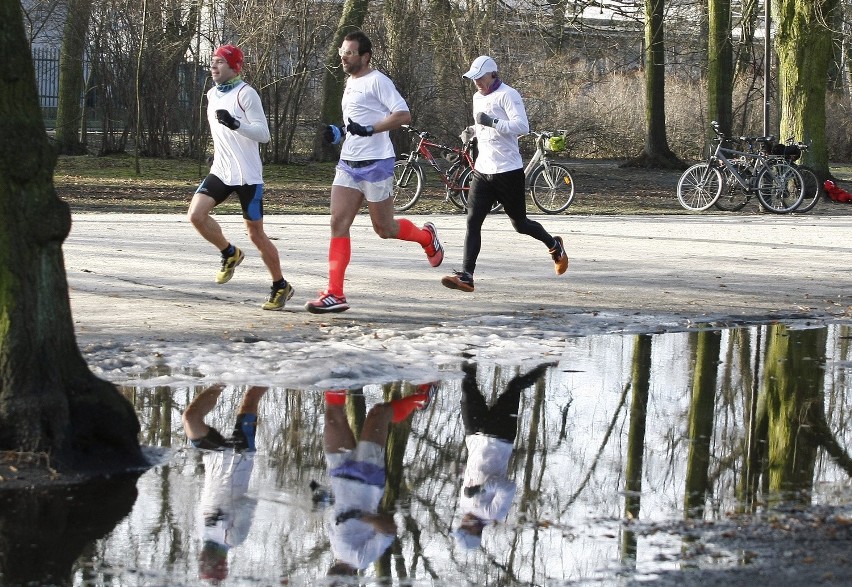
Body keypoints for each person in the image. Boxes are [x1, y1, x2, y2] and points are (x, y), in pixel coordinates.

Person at [307, 31, 444, 314]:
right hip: (348, 163)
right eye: (341, 52)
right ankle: (335, 293)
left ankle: (426, 237)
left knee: (385, 229)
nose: (343, 57)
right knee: (337, 224)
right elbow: (359, 119)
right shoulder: (350, 81)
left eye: (349, 53)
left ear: (365, 57)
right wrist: (341, 132)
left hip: (376, 163)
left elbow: (402, 115)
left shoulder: (379, 81)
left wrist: (370, 130)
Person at [441, 55, 569, 293]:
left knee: (520, 224)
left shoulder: (509, 95)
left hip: (508, 171)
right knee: (473, 221)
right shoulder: (477, 97)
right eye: (473, 79)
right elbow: (482, 125)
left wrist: (492, 122)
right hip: (483, 170)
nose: (477, 82)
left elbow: (522, 126)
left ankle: (554, 245)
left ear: (493, 74)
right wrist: (472, 131)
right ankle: (467, 276)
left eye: (480, 78)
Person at [188, 44, 295, 311]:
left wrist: (236, 124)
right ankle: (229, 253)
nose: (213, 67)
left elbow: (264, 134)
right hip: (222, 171)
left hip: (248, 176)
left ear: (234, 67)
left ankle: (280, 285)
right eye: (212, 62)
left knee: (256, 235)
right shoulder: (212, 94)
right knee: (195, 215)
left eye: (220, 63)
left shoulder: (246, 95)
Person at [322, 384, 435, 574]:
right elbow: (389, 530)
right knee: (379, 414)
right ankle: (420, 399)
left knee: (333, 417)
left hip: (339, 473)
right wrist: (362, 516)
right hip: (367, 480)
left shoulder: (335, 548)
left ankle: (338, 373)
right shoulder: (361, 559)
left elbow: (334, 510)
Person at [453, 361, 552, 549]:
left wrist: (460, 471)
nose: (462, 523)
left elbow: (474, 473)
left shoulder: (464, 507)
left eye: (460, 527)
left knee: (467, 384)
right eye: (464, 528)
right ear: (475, 532)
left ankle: (469, 347)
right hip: (500, 437)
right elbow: (508, 488)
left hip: (474, 437)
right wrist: (481, 489)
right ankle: (545, 364)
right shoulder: (493, 514)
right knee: (514, 387)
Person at [182, 384, 268, 582]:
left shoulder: (201, 533)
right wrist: (226, 511)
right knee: (252, 395)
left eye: (202, 563)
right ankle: (278, 367)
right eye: (209, 565)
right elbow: (249, 504)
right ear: (222, 564)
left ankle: (223, 378)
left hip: (213, 457)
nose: (203, 560)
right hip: (240, 457)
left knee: (190, 418)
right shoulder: (233, 538)